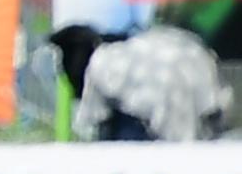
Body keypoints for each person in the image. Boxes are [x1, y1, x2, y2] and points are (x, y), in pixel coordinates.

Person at [77, 18, 232, 142]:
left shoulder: (111, 54)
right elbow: (214, 110)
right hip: (169, 136)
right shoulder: (196, 54)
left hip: (131, 128)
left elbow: (95, 119)